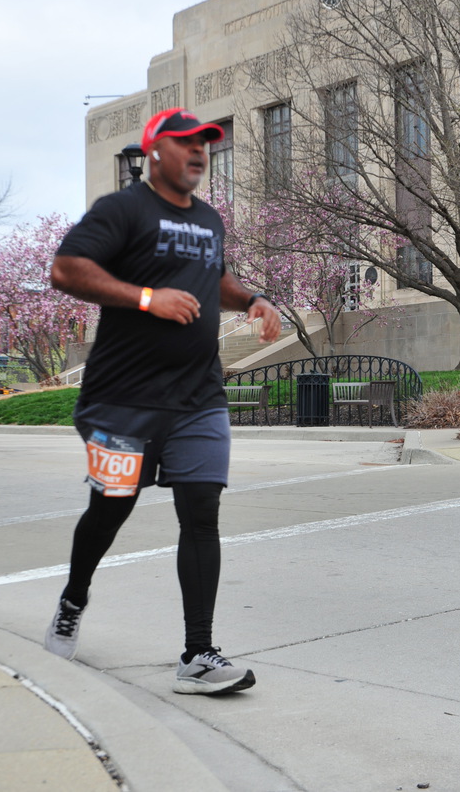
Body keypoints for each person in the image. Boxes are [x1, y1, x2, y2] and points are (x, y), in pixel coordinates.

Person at [44, 107, 281, 695]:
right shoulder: (123, 210)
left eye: (205, 144)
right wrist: (148, 298)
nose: (199, 151)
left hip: (198, 396)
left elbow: (215, 280)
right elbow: (66, 270)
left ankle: (198, 654)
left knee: (201, 513)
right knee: (112, 507)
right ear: (153, 152)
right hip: (123, 400)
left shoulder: (209, 219)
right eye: (185, 143)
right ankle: (74, 598)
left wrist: (252, 299)